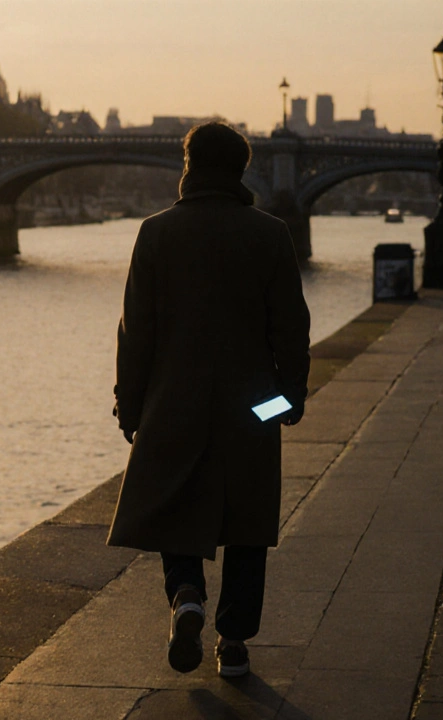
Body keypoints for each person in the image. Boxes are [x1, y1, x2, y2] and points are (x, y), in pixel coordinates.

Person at [107, 122, 311, 678]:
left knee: (174, 506)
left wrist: (131, 405)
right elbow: (291, 327)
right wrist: (288, 399)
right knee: (248, 522)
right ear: (242, 170)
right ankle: (235, 642)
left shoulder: (155, 233)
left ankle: (187, 595)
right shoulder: (270, 234)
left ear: (189, 165)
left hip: (173, 402)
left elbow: (136, 331)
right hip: (253, 408)